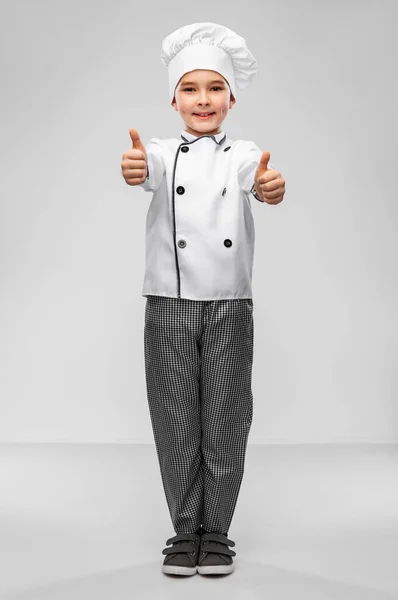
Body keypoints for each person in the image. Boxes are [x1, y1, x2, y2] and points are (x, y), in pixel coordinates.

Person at [121, 22, 286, 577]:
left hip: (229, 303)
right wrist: (135, 168)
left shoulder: (244, 152)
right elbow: (145, 171)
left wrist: (268, 187)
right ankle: (182, 528)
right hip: (166, 299)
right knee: (172, 416)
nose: (203, 99)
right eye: (190, 88)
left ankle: (215, 532)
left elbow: (256, 179)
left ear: (231, 98)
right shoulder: (163, 153)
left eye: (214, 88)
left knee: (225, 414)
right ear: (174, 98)